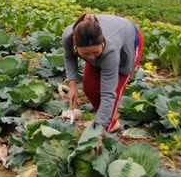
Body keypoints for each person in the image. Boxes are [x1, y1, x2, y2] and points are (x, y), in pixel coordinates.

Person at [62, 13, 144, 145]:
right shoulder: (68, 36)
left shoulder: (110, 51)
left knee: (114, 92)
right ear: (75, 45)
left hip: (129, 41)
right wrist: (72, 86)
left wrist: (97, 131)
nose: (92, 57)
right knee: (89, 87)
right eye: (86, 54)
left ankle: (107, 128)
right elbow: (69, 57)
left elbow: (108, 94)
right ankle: (111, 123)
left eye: (95, 52)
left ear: (102, 42)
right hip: (105, 43)